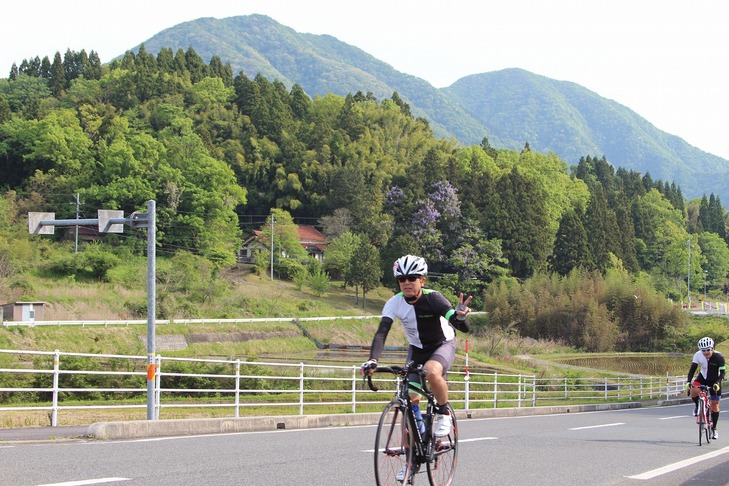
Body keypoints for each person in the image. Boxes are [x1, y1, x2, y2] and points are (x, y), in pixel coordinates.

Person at [361, 254, 472, 441]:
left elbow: (463, 327)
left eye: (412, 278)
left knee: (431, 372)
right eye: (401, 279)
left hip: (441, 345)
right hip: (417, 349)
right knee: (408, 400)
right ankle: (410, 460)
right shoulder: (393, 303)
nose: (407, 283)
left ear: (422, 280)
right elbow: (382, 332)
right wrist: (373, 360)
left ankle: (444, 413)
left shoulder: (434, 299)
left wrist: (460, 317)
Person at [687, 336, 726, 439]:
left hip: (715, 380)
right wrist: (688, 382)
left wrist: (717, 383)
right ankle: (697, 406)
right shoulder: (698, 355)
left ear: (712, 348)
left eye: (708, 350)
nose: (706, 352)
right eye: (703, 350)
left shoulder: (719, 357)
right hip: (703, 377)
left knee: (715, 405)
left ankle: (714, 428)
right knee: (694, 390)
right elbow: (692, 370)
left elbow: (722, 373)